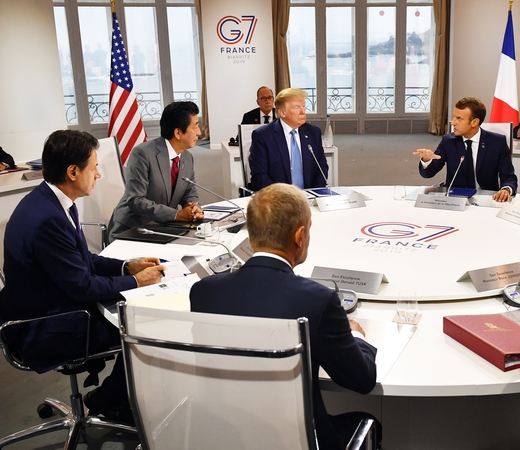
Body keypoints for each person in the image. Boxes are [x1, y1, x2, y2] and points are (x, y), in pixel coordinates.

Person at [190, 183, 379, 450]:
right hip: (294, 439)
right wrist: (356, 334)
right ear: (300, 236)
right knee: (369, 421)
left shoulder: (203, 292)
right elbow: (361, 380)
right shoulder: (318, 301)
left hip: (224, 434)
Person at [0, 130, 165, 421]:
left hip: (47, 307)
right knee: (145, 328)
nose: (99, 175)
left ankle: (113, 397)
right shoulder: (49, 219)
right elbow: (83, 287)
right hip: (43, 326)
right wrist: (139, 282)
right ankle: (108, 400)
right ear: (73, 172)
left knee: (132, 316)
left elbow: (83, 260)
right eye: (94, 167)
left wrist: (127, 267)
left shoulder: (49, 201)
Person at [109, 101, 204, 238]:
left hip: (162, 228)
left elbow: (189, 192)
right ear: (178, 133)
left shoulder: (187, 157)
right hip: (131, 228)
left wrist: (194, 208)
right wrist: (176, 214)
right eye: (195, 127)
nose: (199, 133)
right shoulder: (143, 153)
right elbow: (135, 200)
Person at [413, 97, 518, 202]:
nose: (453, 123)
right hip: (455, 200)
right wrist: (426, 160)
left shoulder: (497, 142)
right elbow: (428, 173)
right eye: (454, 117)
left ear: (474, 122)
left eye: (459, 118)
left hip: (487, 199)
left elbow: (509, 177)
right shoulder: (448, 141)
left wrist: (505, 190)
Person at [248, 88, 328, 191]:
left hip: (310, 197)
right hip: (277, 199)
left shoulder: (313, 132)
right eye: (297, 107)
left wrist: (314, 193)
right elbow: (259, 175)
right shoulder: (263, 136)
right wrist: (285, 198)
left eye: (303, 106)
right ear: (282, 113)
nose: (303, 112)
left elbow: (322, 168)